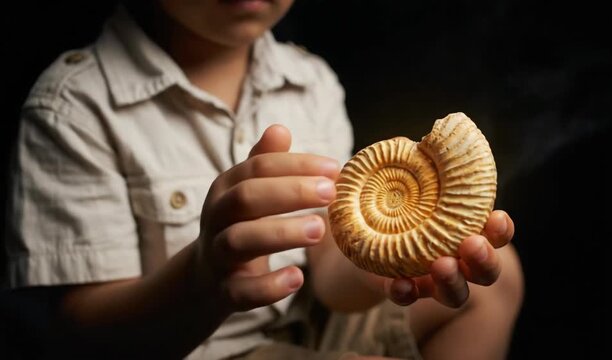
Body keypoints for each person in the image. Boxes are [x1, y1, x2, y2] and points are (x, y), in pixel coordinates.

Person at [4, 0, 524, 358]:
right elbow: (79, 341)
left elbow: (329, 269)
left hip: (308, 321)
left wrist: (384, 267)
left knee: (496, 279)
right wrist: (202, 281)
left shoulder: (311, 81)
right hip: (194, 350)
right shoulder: (73, 107)